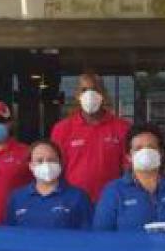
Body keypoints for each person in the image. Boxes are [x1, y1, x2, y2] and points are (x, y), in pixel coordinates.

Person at [51, 72, 131, 202]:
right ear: (77, 95)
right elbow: (56, 169)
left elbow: (128, 169)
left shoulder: (122, 127)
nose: (89, 94)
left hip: (112, 201)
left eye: (95, 89)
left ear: (103, 94)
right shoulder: (62, 129)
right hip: (73, 202)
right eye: (84, 90)